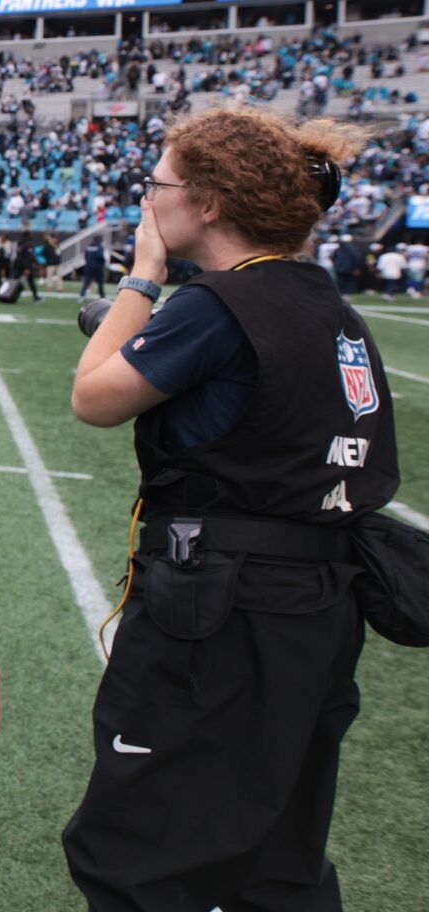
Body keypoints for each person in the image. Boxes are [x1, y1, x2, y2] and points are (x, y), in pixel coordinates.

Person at [65, 107, 395, 911]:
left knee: (137, 853)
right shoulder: (329, 303)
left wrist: (144, 276)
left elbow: (94, 397)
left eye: (158, 186)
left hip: (223, 612)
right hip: (319, 606)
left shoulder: (220, 304)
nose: (149, 200)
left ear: (209, 202)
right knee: (278, 855)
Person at [79, 235, 109, 301]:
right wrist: (103, 263)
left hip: (89, 267)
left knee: (86, 282)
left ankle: (81, 296)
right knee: (100, 283)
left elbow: (86, 256)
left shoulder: (89, 246)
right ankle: (102, 297)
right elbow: (101, 256)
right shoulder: (100, 247)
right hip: (98, 268)